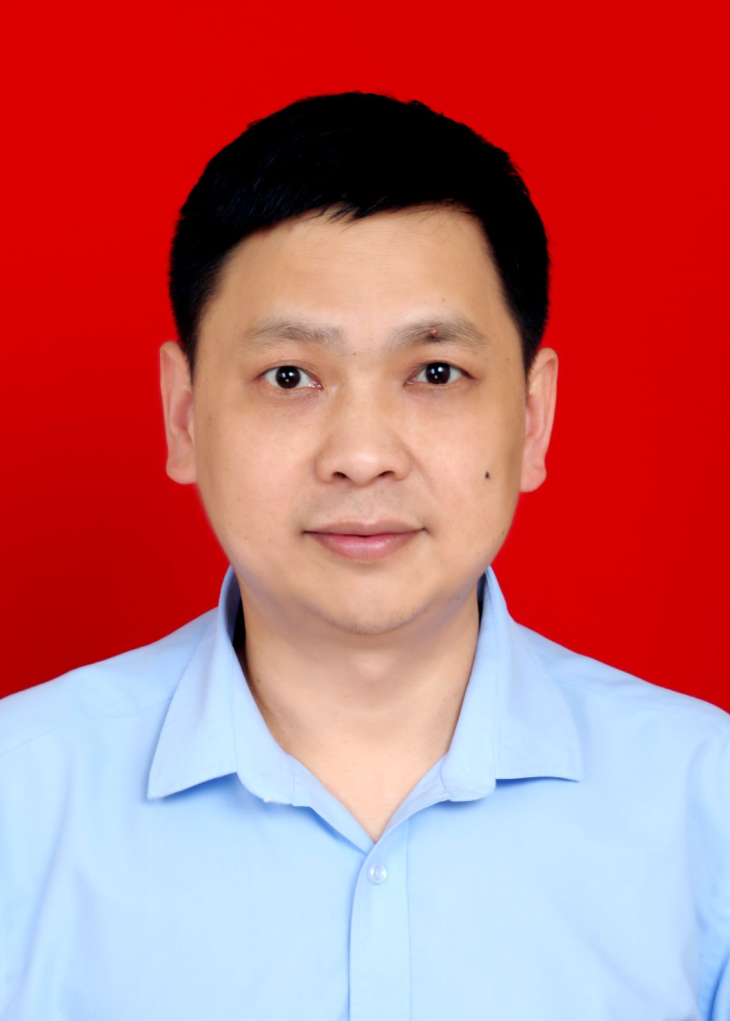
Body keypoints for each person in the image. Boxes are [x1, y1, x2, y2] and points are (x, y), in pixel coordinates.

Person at [0, 91, 728, 1021]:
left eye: (435, 372)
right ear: (183, 415)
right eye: (290, 376)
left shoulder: (705, 805)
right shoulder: (21, 806)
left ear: (532, 417)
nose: (362, 453)